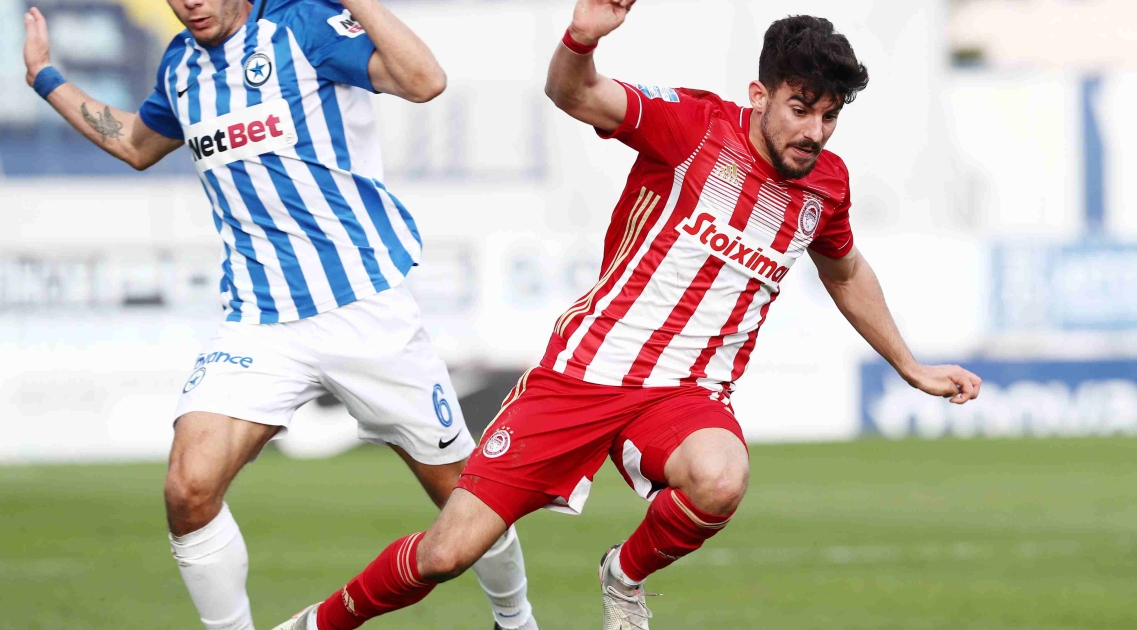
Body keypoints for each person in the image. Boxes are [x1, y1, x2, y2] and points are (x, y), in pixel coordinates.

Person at [272, 2, 983, 630]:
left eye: (829, 116)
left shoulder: (826, 184)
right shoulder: (694, 127)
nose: (815, 131)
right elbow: (574, 93)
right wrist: (580, 39)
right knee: (446, 554)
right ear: (759, 93)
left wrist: (909, 366)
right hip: (583, 375)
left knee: (721, 477)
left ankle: (624, 575)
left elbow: (845, 270)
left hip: (684, 395)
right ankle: (316, 624)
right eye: (801, 109)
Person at [21, 1, 540, 629]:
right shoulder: (181, 65)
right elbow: (134, 141)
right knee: (188, 487)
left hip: (365, 309)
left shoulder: (304, 26)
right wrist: (46, 78)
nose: (190, 3)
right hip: (260, 322)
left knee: (467, 502)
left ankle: (516, 619)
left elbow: (425, 81)